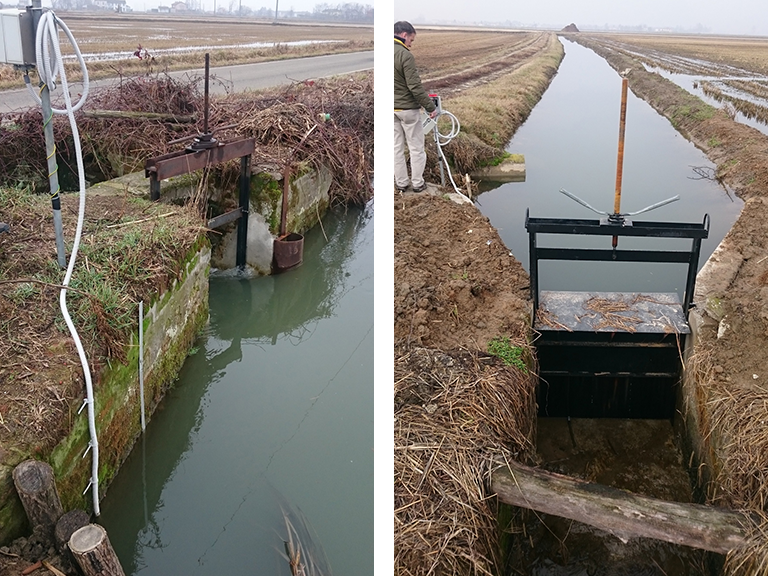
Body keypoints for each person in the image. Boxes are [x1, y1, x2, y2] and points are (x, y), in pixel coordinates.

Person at [394, 21, 437, 193]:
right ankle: (418, 183)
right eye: (411, 39)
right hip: (407, 110)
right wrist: (429, 107)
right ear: (404, 35)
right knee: (416, 147)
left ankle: (401, 183)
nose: (411, 43)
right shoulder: (405, 55)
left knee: (396, 147)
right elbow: (414, 86)